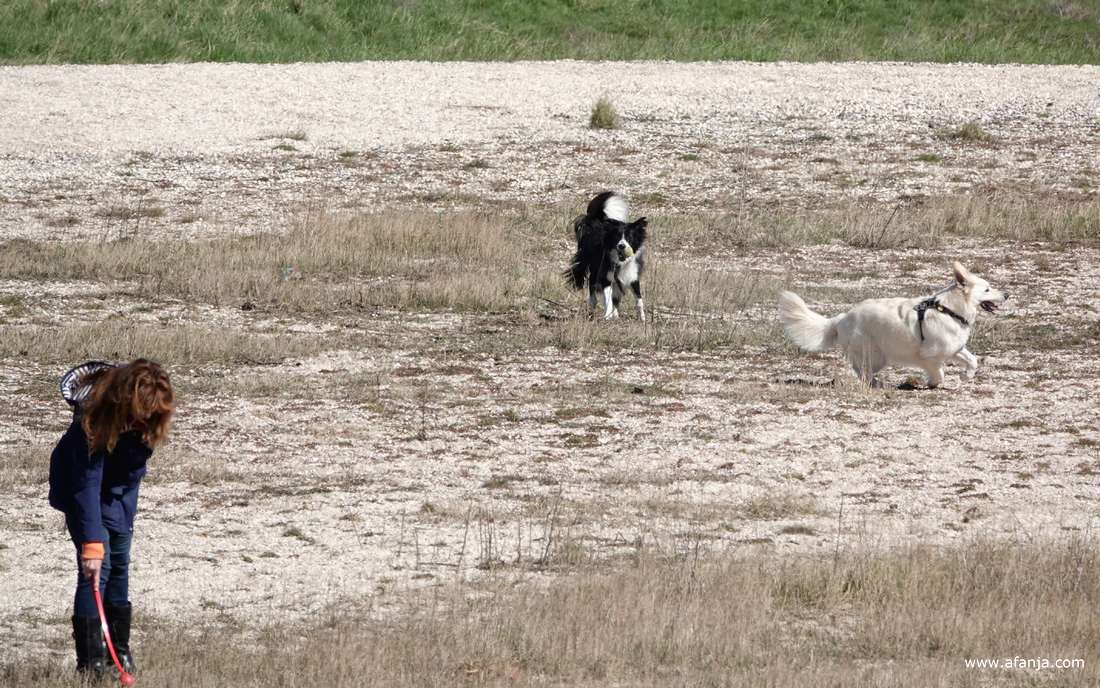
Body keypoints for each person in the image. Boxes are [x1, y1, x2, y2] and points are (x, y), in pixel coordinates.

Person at [48, 359, 175, 677]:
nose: (145, 421)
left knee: (119, 563)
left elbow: (131, 476)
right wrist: (91, 544)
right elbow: (87, 484)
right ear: (125, 402)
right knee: (96, 570)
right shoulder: (93, 419)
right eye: (140, 414)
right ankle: (91, 665)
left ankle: (118, 652)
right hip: (82, 491)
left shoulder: (147, 419)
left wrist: (124, 522)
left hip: (118, 496)